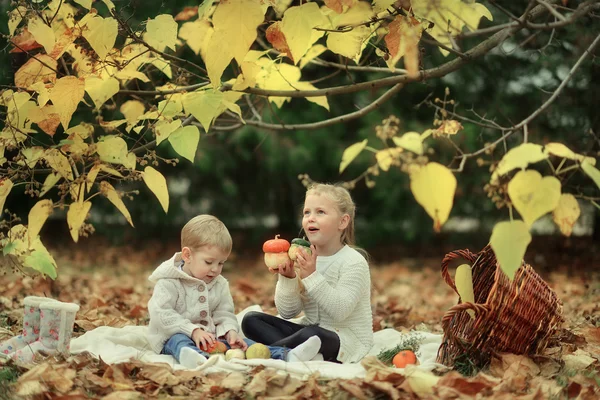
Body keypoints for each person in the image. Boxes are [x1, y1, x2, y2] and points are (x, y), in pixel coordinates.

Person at [147, 214, 315, 368]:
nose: (215, 269)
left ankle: (286, 355)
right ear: (187, 255)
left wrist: (229, 332)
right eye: (209, 262)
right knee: (179, 341)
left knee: (246, 344)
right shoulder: (169, 282)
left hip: (212, 338)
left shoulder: (219, 284)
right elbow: (161, 314)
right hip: (174, 335)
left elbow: (224, 313)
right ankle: (196, 358)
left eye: (221, 263)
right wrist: (193, 330)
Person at [242, 183, 374, 363]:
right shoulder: (303, 256)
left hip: (345, 339)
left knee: (313, 334)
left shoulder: (353, 261)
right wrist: (288, 278)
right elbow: (288, 312)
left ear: (343, 222)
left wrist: (312, 276)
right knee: (251, 320)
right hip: (309, 332)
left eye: (320, 212)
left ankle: (274, 352)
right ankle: (297, 352)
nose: (311, 218)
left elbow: (340, 311)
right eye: (307, 212)